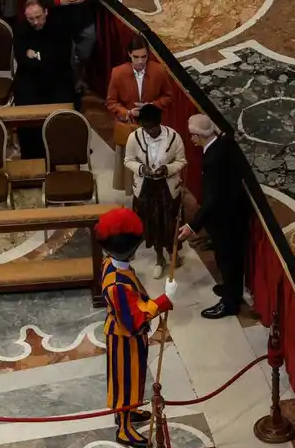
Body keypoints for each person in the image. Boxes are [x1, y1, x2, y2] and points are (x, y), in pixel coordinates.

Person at [95, 207, 176, 448]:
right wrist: (163, 300)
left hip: (129, 336)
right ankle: (124, 428)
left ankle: (129, 411)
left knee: (135, 378)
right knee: (125, 383)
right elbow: (134, 320)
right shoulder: (117, 284)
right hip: (124, 337)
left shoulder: (112, 264)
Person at [177, 114, 247, 319]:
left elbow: (212, 200)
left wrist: (192, 226)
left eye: (192, 135)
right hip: (232, 212)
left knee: (228, 261)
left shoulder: (212, 160)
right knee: (226, 259)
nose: (191, 139)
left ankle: (230, 303)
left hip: (227, 219)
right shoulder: (224, 144)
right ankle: (229, 290)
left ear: (199, 135)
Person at [126, 104, 187, 275]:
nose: (149, 131)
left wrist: (167, 169)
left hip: (167, 188)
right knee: (152, 223)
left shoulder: (173, 137)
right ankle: (159, 258)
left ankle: (173, 253)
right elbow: (128, 160)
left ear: (159, 124)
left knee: (170, 222)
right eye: (145, 128)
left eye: (152, 128)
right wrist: (141, 169)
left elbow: (181, 161)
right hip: (146, 188)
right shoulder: (134, 137)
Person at [11, 0, 75, 159]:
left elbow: (61, 58)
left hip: (57, 77)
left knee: (62, 102)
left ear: (46, 12)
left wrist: (36, 56)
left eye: (38, 17)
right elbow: (21, 58)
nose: (35, 22)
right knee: (25, 102)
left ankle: (61, 153)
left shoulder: (60, 27)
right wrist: (43, 57)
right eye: (31, 19)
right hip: (30, 77)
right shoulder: (21, 28)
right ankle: (31, 154)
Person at [106, 36, 178, 179]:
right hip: (129, 127)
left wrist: (151, 106)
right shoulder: (118, 73)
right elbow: (111, 102)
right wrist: (128, 112)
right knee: (131, 170)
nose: (140, 61)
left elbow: (169, 96)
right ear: (129, 54)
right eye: (136, 57)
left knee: (154, 170)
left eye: (144, 57)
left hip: (153, 128)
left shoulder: (159, 71)